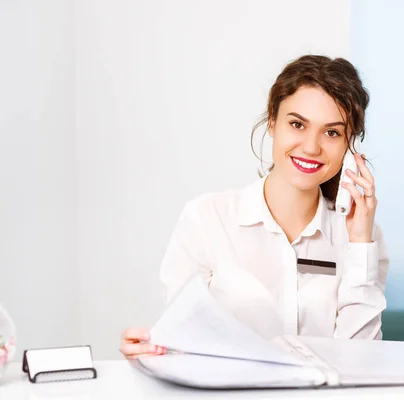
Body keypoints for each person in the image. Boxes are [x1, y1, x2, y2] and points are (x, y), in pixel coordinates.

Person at [119, 55, 389, 359]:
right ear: (273, 121)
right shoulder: (207, 219)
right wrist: (153, 352)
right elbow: (185, 343)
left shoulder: (363, 239)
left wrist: (360, 246)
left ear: (349, 145)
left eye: (332, 132)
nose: (312, 147)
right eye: (297, 124)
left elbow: (361, 362)